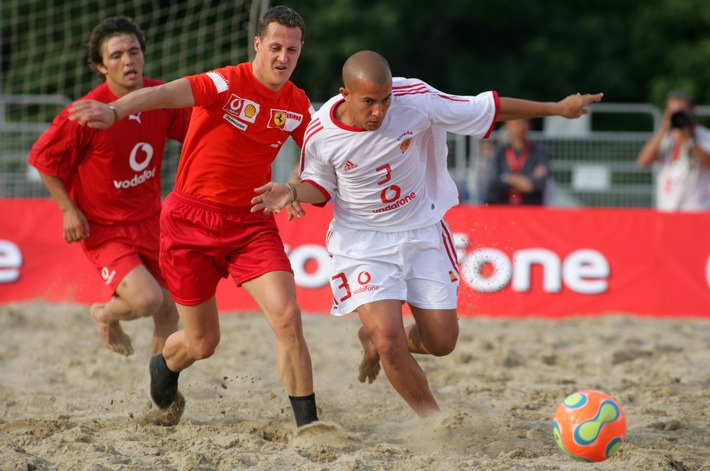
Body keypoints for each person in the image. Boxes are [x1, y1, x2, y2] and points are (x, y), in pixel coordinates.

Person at [251, 50, 603, 419]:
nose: (379, 112)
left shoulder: (415, 98)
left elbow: (486, 108)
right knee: (390, 342)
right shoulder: (321, 133)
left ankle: (377, 339)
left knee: (442, 342)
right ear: (345, 94)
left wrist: (556, 108)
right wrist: (291, 191)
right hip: (362, 243)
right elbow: (320, 187)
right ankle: (435, 424)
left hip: (421, 232)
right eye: (368, 102)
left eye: (385, 100)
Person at [67, 6, 319, 428]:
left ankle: (310, 427)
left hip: (251, 222)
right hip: (190, 223)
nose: (283, 57)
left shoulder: (296, 104)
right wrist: (115, 111)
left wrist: (292, 186)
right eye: (275, 47)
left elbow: (316, 157)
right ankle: (163, 369)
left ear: (300, 51)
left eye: (291, 50)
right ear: (258, 45)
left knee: (288, 316)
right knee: (203, 343)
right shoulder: (225, 82)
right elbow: (162, 94)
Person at [28, 16, 190, 357]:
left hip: (151, 220)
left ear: (144, 56)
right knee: (148, 300)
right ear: (100, 67)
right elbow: (42, 159)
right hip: (103, 228)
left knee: (170, 308)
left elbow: (198, 136)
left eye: (134, 52)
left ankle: (157, 392)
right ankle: (103, 313)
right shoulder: (85, 113)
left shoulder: (160, 98)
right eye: (116, 55)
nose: (128, 60)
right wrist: (67, 210)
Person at [636, 90, 710, 211]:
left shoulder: (704, 136)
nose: (677, 115)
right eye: (672, 112)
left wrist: (689, 140)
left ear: (692, 111)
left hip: (696, 210)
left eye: (681, 112)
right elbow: (643, 161)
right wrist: (663, 130)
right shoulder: (665, 137)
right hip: (667, 210)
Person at [485, 118, 552, 205]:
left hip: (531, 207)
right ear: (508, 125)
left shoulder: (540, 152)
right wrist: (524, 182)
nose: (519, 128)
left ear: (529, 125)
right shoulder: (499, 153)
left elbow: (539, 183)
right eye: (516, 123)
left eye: (522, 123)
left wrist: (507, 178)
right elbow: (492, 184)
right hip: (503, 206)